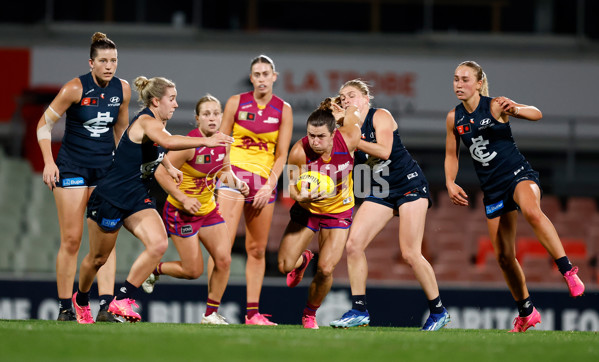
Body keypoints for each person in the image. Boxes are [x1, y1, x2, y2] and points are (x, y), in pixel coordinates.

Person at [71, 76, 234, 324]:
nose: (176, 104)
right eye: (172, 99)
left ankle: (122, 300)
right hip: (111, 197)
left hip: (137, 197)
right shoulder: (147, 121)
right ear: (156, 101)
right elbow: (167, 142)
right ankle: (81, 300)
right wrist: (206, 140)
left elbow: (157, 149)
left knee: (158, 244)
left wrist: (169, 166)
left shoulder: (157, 125)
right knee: (98, 259)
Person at [444, 60, 585, 333]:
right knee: (504, 257)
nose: (459, 84)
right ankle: (526, 312)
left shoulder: (496, 105)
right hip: (493, 188)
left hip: (517, 174)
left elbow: (537, 114)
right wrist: (450, 181)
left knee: (532, 211)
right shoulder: (454, 118)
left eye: (465, 79)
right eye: (455, 79)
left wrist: (517, 109)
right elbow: (452, 154)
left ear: (479, 83)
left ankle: (568, 271)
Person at [328, 80, 450, 331]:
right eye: (342, 98)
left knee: (410, 253)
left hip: (409, 184)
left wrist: (348, 136)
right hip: (381, 190)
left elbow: (384, 151)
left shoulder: (380, 115)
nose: (346, 101)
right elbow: (347, 166)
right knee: (353, 245)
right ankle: (359, 310)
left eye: (351, 95)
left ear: (365, 99)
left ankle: (439, 311)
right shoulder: (346, 128)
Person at [36, 32, 130, 323]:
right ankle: (66, 308)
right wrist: (49, 162)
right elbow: (43, 125)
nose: (109, 66)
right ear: (91, 62)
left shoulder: (123, 90)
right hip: (73, 168)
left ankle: (106, 306)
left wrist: (124, 167)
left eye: (113, 60)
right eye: (103, 60)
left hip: (104, 170)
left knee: (106, 242)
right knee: (72, 241)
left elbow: (122, 133)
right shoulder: (74, 88)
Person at [141, 94, 249, 325]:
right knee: (193, 271)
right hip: (181, 212)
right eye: (206, 114)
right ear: (197, 118)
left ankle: (210, 315)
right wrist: (182, 197)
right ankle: (154, 270)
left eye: (215, 113)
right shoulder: (188, 145)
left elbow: (223, 171)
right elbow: (160, 172)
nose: (212, 118)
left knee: (224, 260)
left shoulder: (224, 141)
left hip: (208, 210)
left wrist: (238, 184)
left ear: (221, 117)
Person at [216, 55, 293, 325]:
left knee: (257, 250)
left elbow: (282, 154)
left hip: (263, 183)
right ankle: (211, 311)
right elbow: (222, 141)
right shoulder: (236, 102)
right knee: (223, 250)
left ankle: (252, 314)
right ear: (252, 78)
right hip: (233, 177)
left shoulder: (284, 109)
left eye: (266, 74)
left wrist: (270, 186)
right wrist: (226, 173)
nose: (261, 78)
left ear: (274, 77)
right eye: (257, 74)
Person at [278, 98, 361, 329]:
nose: (314, 141)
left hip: (338, 211)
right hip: (307, 210)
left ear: (333, 133)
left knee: (326, 269)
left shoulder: (350, 138)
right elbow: (292, 188)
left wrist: (348, 108)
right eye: (311, 135)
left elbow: (355, 114)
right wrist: (300, 197)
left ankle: (309, 314)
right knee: (285, 266)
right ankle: (303, 259)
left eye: (320, 136)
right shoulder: (298, 151)